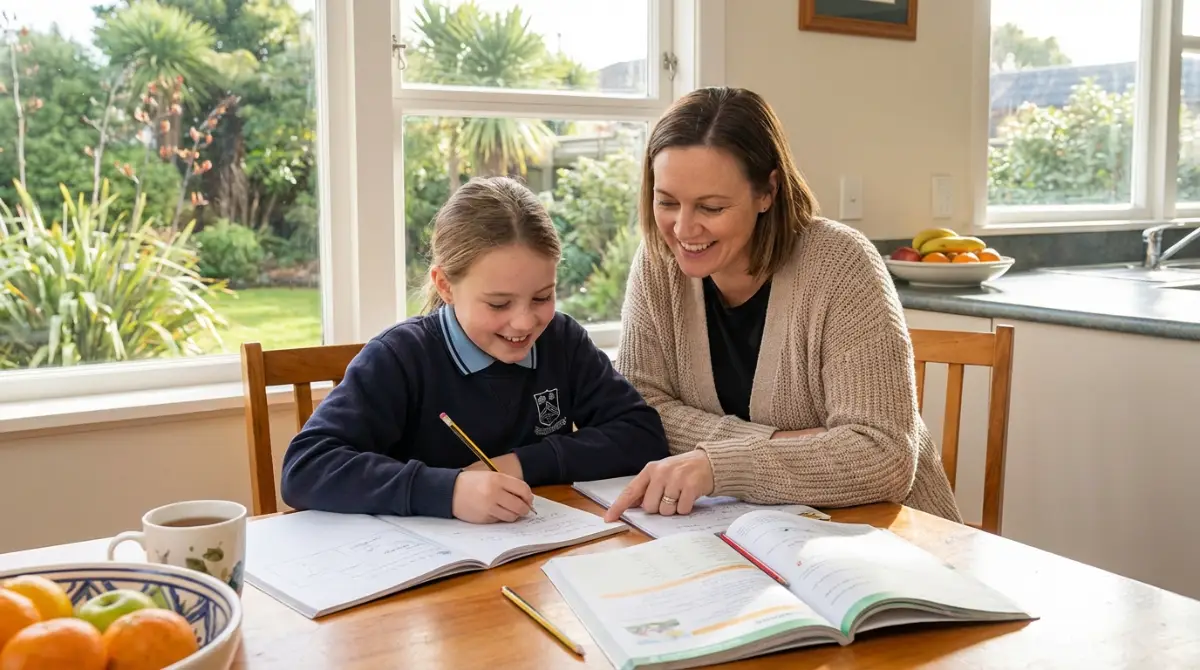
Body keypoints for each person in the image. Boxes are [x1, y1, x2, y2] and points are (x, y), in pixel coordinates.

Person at [604, 87, 962, 524]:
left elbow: (883, 456)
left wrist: (719, 465)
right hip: (742, 534)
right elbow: (637, 408)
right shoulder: (660, 262)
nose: (683, 228)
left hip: (889, 542)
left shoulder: (841, 265)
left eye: (711, 207)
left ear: (767, 192)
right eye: (667, 202)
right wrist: (778, 441)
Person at [281, 176, 669, 524]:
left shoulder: (560, 340)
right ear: (446, 286)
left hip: (535, 561)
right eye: (498, 304)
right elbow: (305, 468)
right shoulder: (400, 357)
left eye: (542, 297)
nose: (523, 323)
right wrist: (448, 491)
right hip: (427, 581)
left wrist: (519, 464)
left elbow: (641, 435)